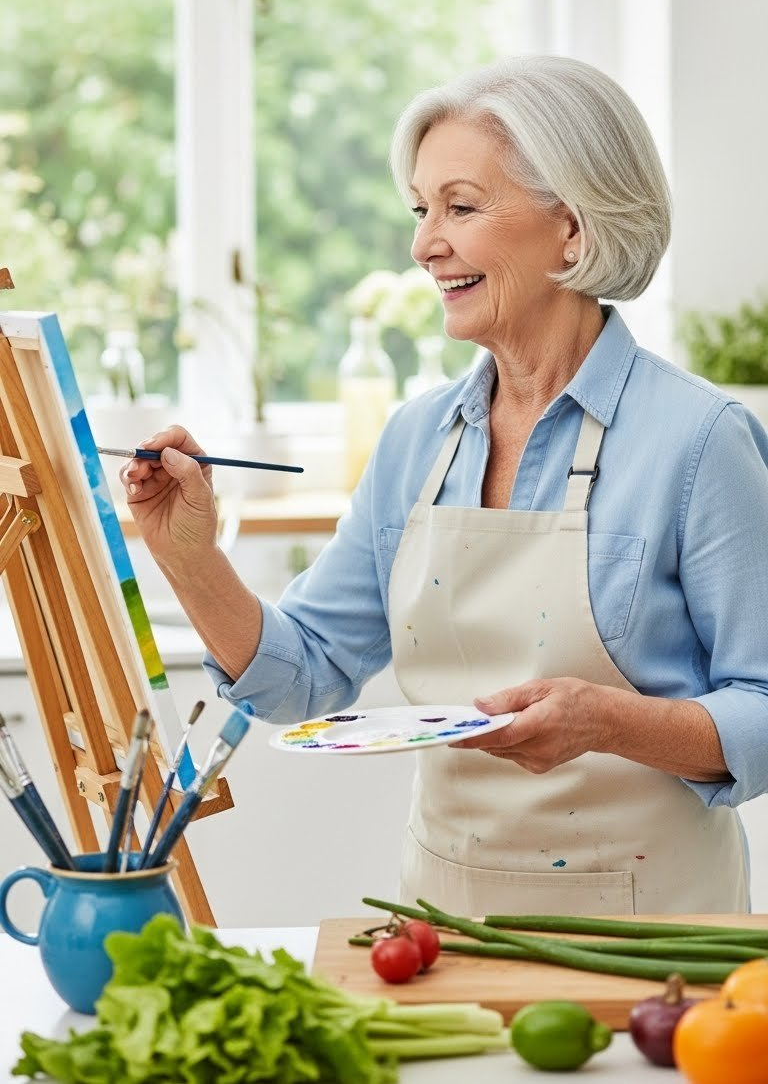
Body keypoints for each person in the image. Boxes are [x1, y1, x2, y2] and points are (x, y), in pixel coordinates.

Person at [121, 55, 768, 917]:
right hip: (439, 927)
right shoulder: (416, 440)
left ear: (571, 229)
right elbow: (302, 677)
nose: (426, 242)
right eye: (422, 209)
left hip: (655, 945)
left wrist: (609, 722)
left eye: (461, 206)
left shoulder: (698, 441)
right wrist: (192, 560)